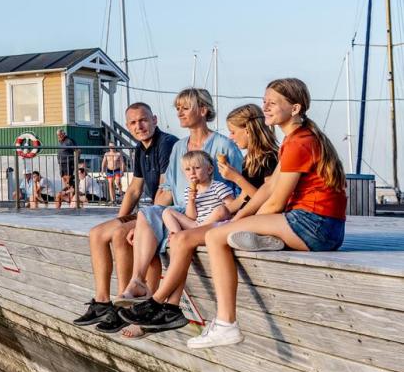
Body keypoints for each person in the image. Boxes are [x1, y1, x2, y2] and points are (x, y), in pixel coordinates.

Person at [181, 78, 346, 349]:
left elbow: (275, 203)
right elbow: (268, 188)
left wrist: (233, 226)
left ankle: (225, 324)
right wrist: (238, 218)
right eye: (264, 101)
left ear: (294, 108)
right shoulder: (298, 137)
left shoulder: (298, 142)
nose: (265, 107)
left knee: (214, 238)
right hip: (322, 226)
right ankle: (267, 240)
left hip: (313, 225)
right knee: (229, 229)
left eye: (273, 103)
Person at [116, 103, 278, 337]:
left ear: (249, 129)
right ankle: (165, 307)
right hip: (239, 218)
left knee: (183, 240)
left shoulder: (268, 158)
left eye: (233, 131)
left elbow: (261, 197)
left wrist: (234, 181)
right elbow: (246, 198)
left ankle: (160, 304)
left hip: (251, 221)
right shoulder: (251, 158)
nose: (230, 137)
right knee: (179, 239)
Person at [116, 88, 243, 312]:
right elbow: (166, 190)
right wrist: (145, 221)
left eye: (185, 108)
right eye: (178, 109)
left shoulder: (225, 146)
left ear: (203, 110)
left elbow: (233, 193)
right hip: (181, 211)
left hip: (209, 215)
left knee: (164, 234)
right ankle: (137, 282)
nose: (180, 113)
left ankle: (158, 307)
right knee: (146, 217)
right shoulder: (178, 147)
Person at [72, 102, 178, 333]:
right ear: (129, 127)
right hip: (151, 210)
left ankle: (123, 303)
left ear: (154, 120)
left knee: (121, 234)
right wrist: (119, 219)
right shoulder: (141, 148)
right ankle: (102, 302)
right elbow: (133, 190)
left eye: (143, 120)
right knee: (98, 233)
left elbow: (166, 191)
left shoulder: (166, 144)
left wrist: (139, 224)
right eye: (133, 122)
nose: (139, 126)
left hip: (167, 211)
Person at [160, 151, 235, 234]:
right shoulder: (188, 191)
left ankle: (193, 233)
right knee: (167, 212)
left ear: (209, 170)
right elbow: (192, 217)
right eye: (188, 169)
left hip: (215, 224)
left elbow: (231, 207)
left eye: (197, 168)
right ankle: (177, 234)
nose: (192, 172)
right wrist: (191, 201)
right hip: (196, 225)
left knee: (221, 210)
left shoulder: (218, 187)